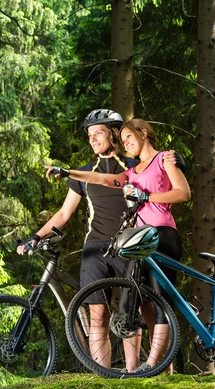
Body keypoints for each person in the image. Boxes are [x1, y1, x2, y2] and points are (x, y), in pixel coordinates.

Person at [17, 109, 186, 371]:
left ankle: (138, 371)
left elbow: (161, 172)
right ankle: (103, 377)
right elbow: (64, 214)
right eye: (89, 135)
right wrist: (36, 236)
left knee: (139, 308)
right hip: (95, 248)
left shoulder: (134, 165)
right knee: (98, 315)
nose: (93, 139)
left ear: (114, 133)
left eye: (98, 133)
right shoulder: (84, 173)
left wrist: (175, 159)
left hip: (130, 244)